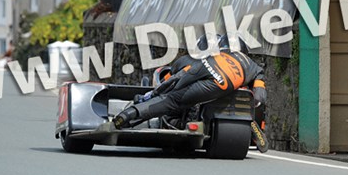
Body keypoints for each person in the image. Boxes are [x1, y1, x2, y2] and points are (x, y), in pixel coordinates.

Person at [112, 34, 266, 130]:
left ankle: (129, 114)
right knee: (173, 98)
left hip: (204, 69)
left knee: (170, 98)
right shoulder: (255, 67)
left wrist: (153, 93)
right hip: (221, 84)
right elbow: (259, 98)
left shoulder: (213, 55)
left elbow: (174, 78)